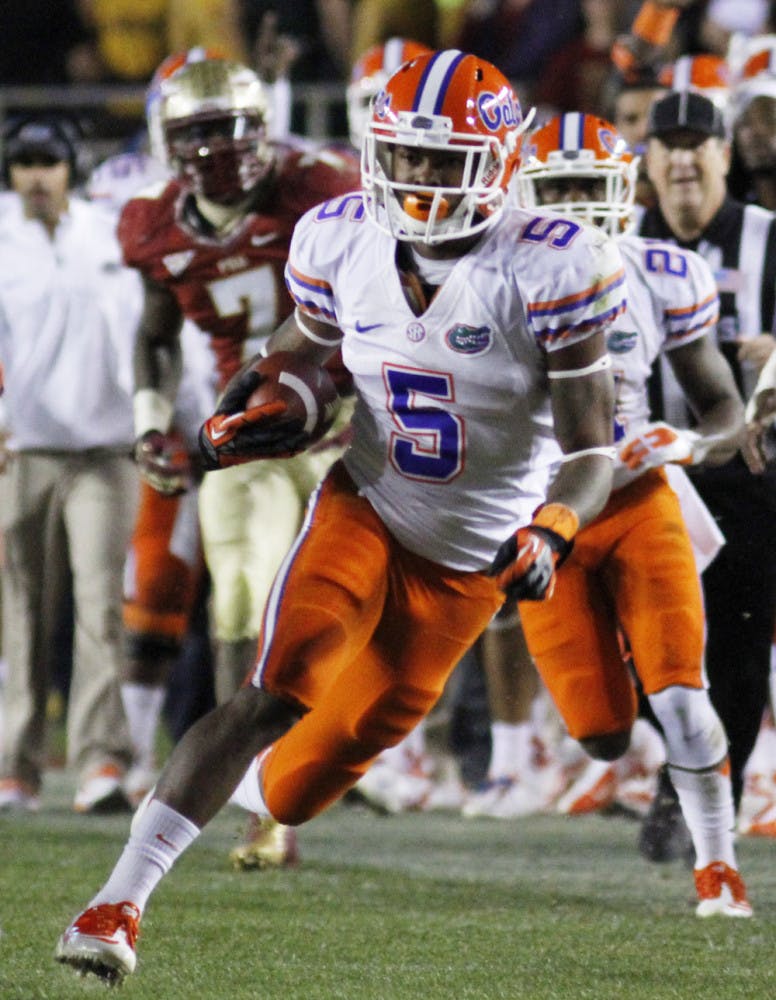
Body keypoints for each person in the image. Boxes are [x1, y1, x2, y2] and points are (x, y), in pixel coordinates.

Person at [55, 48, 623, 983]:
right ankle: (116, 903)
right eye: (406, 155)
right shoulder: (339, 237)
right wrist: (268, 400)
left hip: (472, 559)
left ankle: (259, 803)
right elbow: (300, 350)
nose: (420, 177)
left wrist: (555, 527)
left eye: (443, 159)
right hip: (368, 501)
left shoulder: (552, 264)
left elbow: (593, 448)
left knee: (298, 786)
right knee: (276, 685)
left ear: (499, 163)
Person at [117, 57, 360, 865]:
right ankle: (253, 796)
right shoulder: (154, 223)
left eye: (232, 126)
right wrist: (151, 423)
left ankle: (352, 762)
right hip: (246, 436)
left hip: (353, 428)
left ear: (263, 129)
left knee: (355, 610)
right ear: (168, 141)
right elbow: (155, 334)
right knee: (241, 604)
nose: (219, 146)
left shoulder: (321, 187)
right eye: (200, 130)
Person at [508, 117, 752, 898]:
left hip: (640, 498)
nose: (576, 204)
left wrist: (687, 443)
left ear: (622, 190)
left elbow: (724, 407)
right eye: (560, 188)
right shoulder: (491, 276)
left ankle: (719, 867)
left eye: (590, 185)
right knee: (602, 733)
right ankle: (628, 738)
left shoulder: (660, 273)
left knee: (681, 691)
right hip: (546, 517)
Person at [636, 88, 776, 858]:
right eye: (670, 144)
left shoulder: (767, 238)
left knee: (736, 644)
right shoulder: (619, 241)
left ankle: (713, 793)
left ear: (725, 154)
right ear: (649, 161)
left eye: (699, 143)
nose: (684, 159)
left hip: (747, 471)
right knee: (634, 644)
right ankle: (681, 764)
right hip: (644, 470)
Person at [0, 117, 140, 814]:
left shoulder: (109, 231)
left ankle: (99, 761)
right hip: (22, 447)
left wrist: (154, 417)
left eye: (47, 161)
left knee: (99, 606)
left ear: (70, 167)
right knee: (22, 610)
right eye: (23, 161)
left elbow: (148, 327)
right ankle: (15, 766)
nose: (35, 175)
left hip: (106, 451)